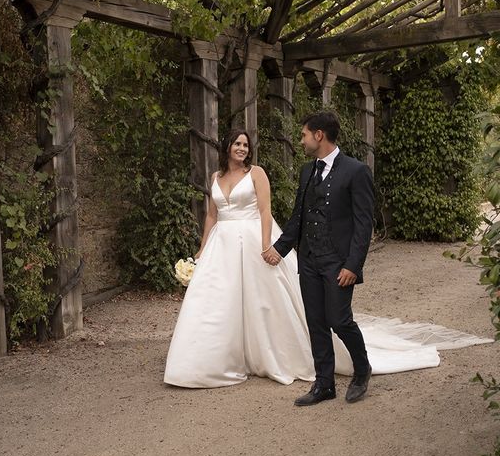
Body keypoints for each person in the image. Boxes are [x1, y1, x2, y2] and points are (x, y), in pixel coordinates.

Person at [163, 126, 440, 391]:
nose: (242, 149)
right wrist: (201, 250)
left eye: (246, 145)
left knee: (269, 303)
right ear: (227, 146)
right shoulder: (215, 177)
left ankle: (287, 356)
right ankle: (216, 358)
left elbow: (264, 211)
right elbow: (212, 215)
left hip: (251, 239)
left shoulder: (256, 173)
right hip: (221, 245)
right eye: (237, 144)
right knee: (219, 300)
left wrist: (266, 245)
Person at [264, 111, 372, 405]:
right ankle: (324, 384)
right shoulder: (306, 171)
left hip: (338, 262)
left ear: (319, 135)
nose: (302, 140)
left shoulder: (356, 171)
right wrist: (280, 248)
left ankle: (362, 370)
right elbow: (299, 215)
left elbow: (364, 224)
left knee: (340, 319)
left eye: (304, 135)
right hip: (309, 259)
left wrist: (353, 264)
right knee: (316, 322)